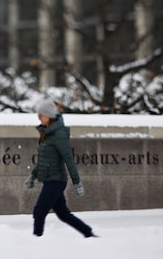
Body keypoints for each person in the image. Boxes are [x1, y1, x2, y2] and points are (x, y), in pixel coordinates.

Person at [25, 98, 96, 238]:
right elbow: (44, 160)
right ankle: (88, 232)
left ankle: (36, 240)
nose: (39, 118)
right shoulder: (47, 133)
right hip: (50, 180)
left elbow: (69, 159)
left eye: (41, 115)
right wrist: (33, 176)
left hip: (56, 181)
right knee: (63, 213)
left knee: (39, 211)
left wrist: (77, 182)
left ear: (49, 115)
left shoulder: (59, 134)